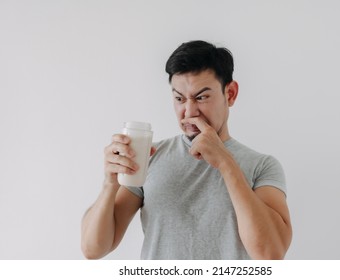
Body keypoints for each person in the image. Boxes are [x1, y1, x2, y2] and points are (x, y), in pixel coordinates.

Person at [81, 40, 292, 260]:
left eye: (201, 97)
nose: (189, 111)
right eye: (180, 98)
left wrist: (226, 164)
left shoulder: (262, 166)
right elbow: (93, 249)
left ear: (230, 94)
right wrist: (109, 183)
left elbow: (270, 254)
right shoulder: (151, 157)